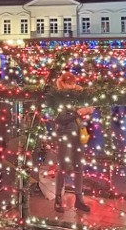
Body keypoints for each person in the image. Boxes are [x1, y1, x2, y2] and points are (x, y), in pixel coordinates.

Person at [54, 72, 92, 213]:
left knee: (79, 167)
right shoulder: (57, 97)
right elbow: (60, 118)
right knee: (63, 166)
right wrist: (78, 112)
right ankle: (58, 198)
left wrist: (86, 109)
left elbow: (87, 106)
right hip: (65, 135)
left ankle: (79, 199)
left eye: (73, 83)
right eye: (69, 83)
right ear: (62, 83)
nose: (72, 86)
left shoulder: (77, 94)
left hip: (78, 133)